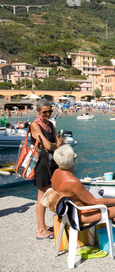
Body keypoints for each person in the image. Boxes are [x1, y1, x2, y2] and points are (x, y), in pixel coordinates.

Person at [51, 144, 115, 253]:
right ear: (72, 160)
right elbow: (93, 201)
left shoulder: (56, 173)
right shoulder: (72, 181)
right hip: (80, 216)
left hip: (69, 213)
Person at [31, 99, 61, 239]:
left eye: (50, 111)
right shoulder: (34, 125)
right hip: (42, 164)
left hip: (52, 163)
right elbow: (48, 145)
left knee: (49, 192)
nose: (48, 114)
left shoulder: (50, 124)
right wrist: (54, 145)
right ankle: (40, 229)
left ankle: (43, 226)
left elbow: (57, 142)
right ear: (38, 111)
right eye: (45, 112)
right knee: (41, 196)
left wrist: (54, 145)